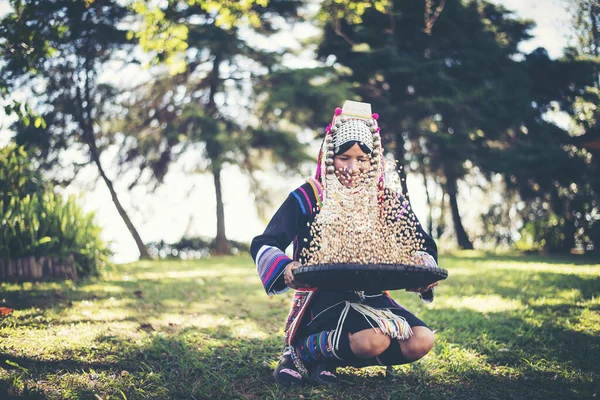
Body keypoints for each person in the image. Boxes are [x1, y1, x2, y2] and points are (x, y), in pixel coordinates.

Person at [250, 101, 440, 386]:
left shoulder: (387, 201)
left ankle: (331, 356)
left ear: (373, 161)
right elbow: (265, 242)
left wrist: (423, 270)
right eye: (344, 158)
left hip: (374, 297)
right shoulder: (310, 195)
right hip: (324, 297)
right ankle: (300, 351)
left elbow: (421, 244)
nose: (353, 168)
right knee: (372, 340)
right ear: (329, 156)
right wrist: (287, 266)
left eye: (362, 159)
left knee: (421, 341)